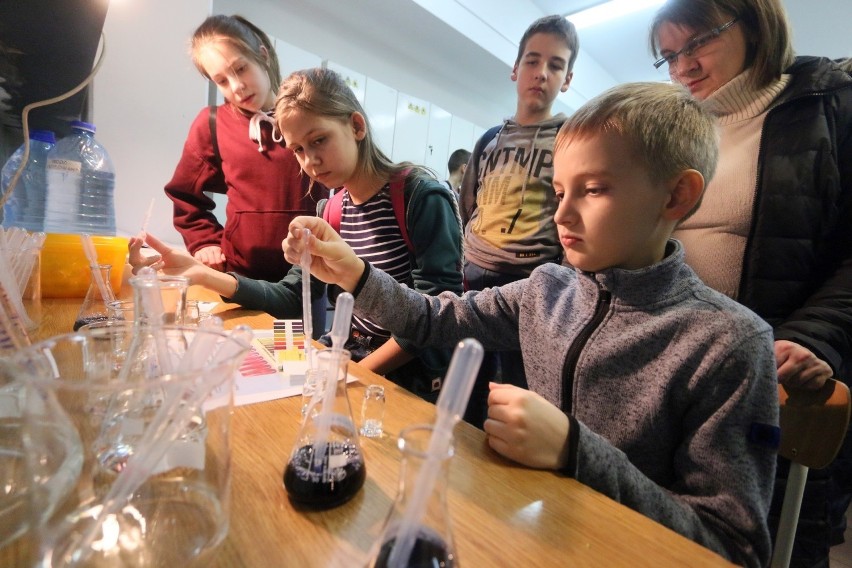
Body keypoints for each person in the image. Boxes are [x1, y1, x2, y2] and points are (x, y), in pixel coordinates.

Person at [282, 82, 779, 568]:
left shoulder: (727, 344)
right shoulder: (547, 289)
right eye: (560, 191)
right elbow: (435, 318)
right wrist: (355, 271)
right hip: (530, 537)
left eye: (595, 189)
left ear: (676, 196)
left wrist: (574, 448)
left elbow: (730, 548)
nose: (561, 213)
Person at [650, 2, 852, 565]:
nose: (682, 67)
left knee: (769, 541)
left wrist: (814, 337)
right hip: (679, 379)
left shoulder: (828, 105)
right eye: (669, 56)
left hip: (776, 374)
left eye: (696, 44)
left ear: (754, 25)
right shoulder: (679, 128)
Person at [131, 67, 464, 405]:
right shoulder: (331, 211)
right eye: (298, 150)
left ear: (356, 126)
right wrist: (201, 273)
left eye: (319, 140)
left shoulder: (420, 199)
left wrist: (348, 374)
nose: (311, 161)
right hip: (353, 361)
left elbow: (434, 318)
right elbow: (291, 296)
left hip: (407, 382)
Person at [458, 14, 578, 391]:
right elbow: (468, 203)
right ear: (515, 69)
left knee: (516, 387)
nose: (541, 72)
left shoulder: (570, 141)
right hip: (475, 276)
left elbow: (571, 214)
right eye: (532, 60)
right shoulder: (491, 140)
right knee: (465, 384)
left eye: (555, 65)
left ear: (567, 80)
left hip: (529, 284)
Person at [164, 15, 326, 283]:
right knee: (247, 328)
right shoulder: (212, 125)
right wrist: (205, 242)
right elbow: (184, 196)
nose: (236, 87)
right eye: (222, 81)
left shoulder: (310, 116)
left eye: (240, 69)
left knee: (297, 329)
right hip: (240, 280)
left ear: (262, 56)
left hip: (307, 279)